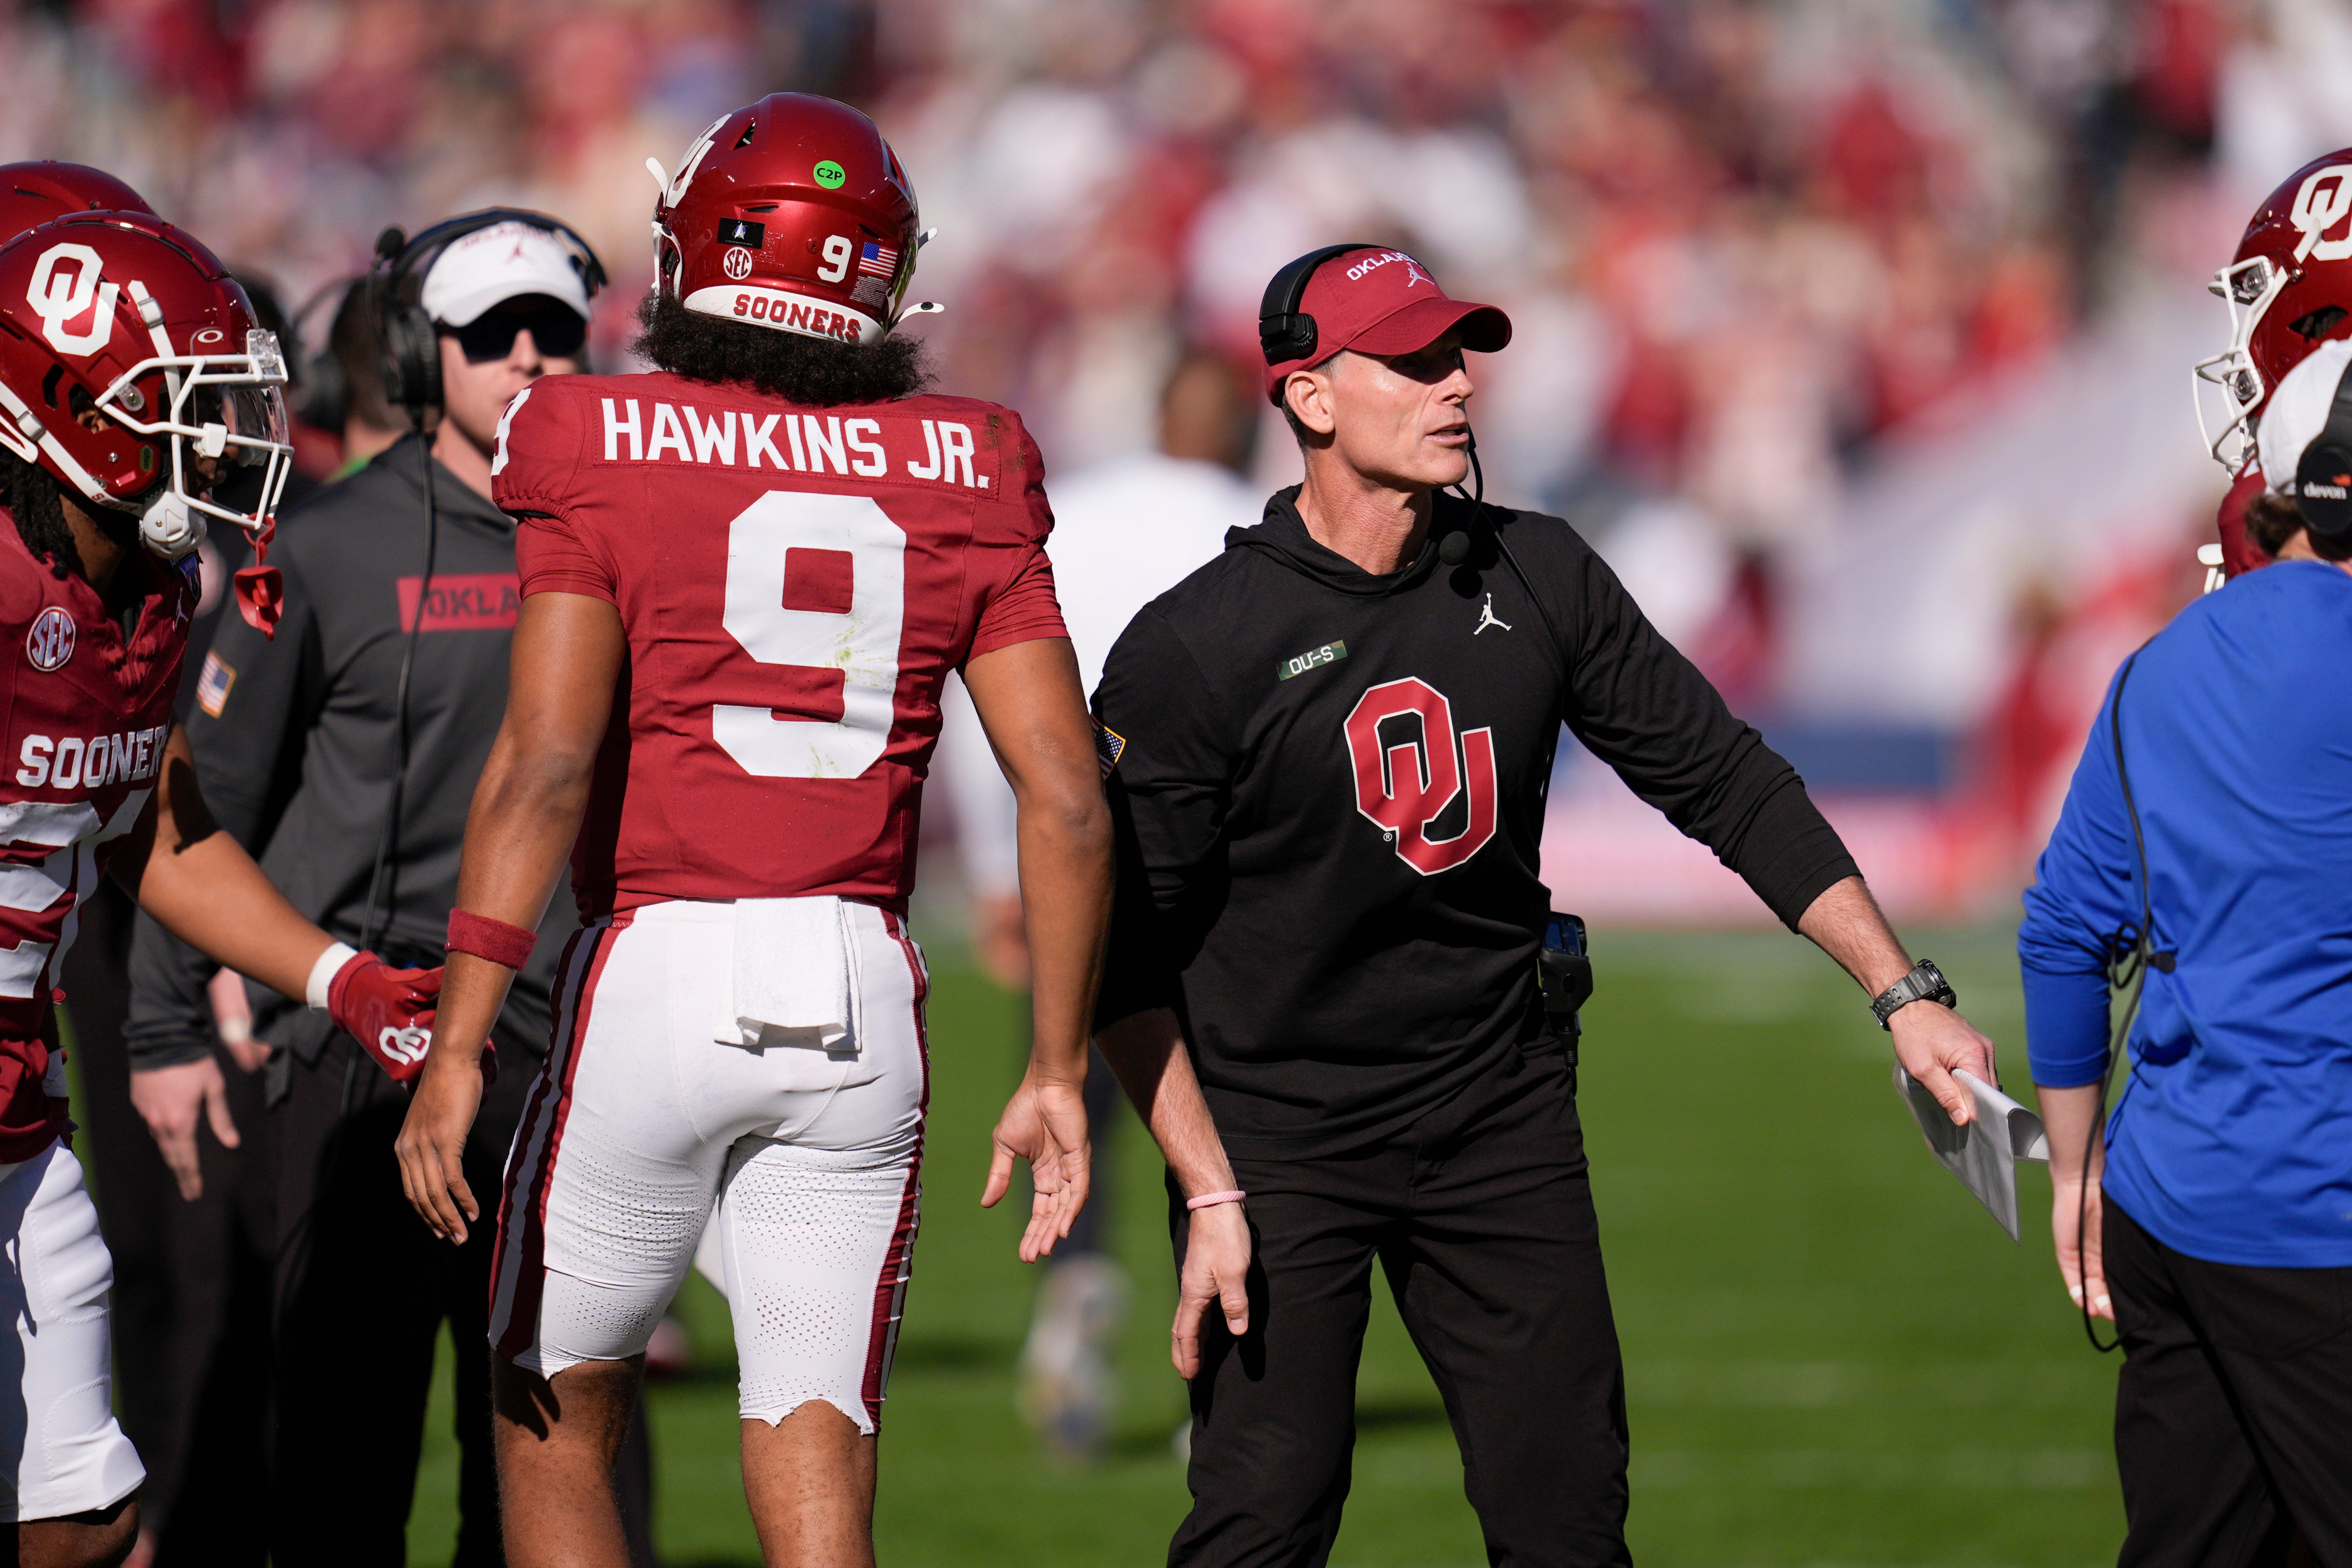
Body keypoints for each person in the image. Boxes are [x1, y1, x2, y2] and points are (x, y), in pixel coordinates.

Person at [1088, 244, 1999, 1568]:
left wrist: (1901, 993)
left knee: (1568, 1518)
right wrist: (1206, 1184)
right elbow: (1122, 953)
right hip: (1278, 1135)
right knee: (1263, 1521)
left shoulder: (1540, 572)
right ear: (1309, 397)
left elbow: (1726, 780)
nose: (1456, 384)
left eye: (1458, 352)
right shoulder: (1197, 645)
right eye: (1412, 360)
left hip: (1493, 1113)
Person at [392, 93, 1112, 1568]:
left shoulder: (590, 429)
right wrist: (1053, 1062)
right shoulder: (972, 455)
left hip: (658, 963)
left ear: (705, 250)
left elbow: (544, 760)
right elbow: (1066, 791)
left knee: (551, 1409)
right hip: (861, 986)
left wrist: (459, 1037)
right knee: (819, 1456)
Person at [122, 208, 658, 1568]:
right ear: (426, 352)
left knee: (554, 1464)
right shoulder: (321, 547)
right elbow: (196, 810)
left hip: (564, 1050)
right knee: (338, 1463)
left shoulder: (630, 544)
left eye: (552, 329)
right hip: (359, 1042)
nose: (530, 356)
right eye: (493, 335)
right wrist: (168, 1025)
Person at [0, 205, 438, 1567]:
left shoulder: (146, 589)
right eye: (176, 406)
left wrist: (335, 973)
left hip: (19, 1114)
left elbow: (160, 835)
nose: (220, 437)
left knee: (80, 1525)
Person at [2021, 334, 2352, 1567]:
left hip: (2168, 1202)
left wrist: (2071, 1172)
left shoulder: (2159, 661)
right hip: (2319, 1220)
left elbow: (2062, 932)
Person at [935, 347, 1260, 1458]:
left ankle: (1075, 1281)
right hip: (1223, 865)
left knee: (1079, 1090)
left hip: (1076, 851)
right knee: (1219, 1115)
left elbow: (995, 707)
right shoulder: (1265, 527)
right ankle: (1218, 1350)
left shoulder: (1066, 512)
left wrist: (995, 874)